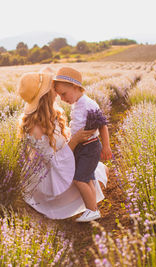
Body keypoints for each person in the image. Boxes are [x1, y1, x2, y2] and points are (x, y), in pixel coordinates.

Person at [17, 70, 108, 221]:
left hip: (64, 163)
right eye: (52, 86)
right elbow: (53, 162)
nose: (56, 89)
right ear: (45, 95)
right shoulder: (35, 128)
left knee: (97, 171)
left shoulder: (51, 112)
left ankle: (91, 207)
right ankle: (89, 208)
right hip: (51, 177)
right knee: (89, 177)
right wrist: (75, 141)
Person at [53, 66, 112, 222]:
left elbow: (102, 125)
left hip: (90, 147)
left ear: (75, 87)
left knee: (80, 179)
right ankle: (92, 209)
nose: (62, 99)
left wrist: (106, 146)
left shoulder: (88, 104)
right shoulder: (77, 104)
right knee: (87, 179)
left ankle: (92, 210)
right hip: (83, 147)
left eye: (64, 94)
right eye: (59, 95)